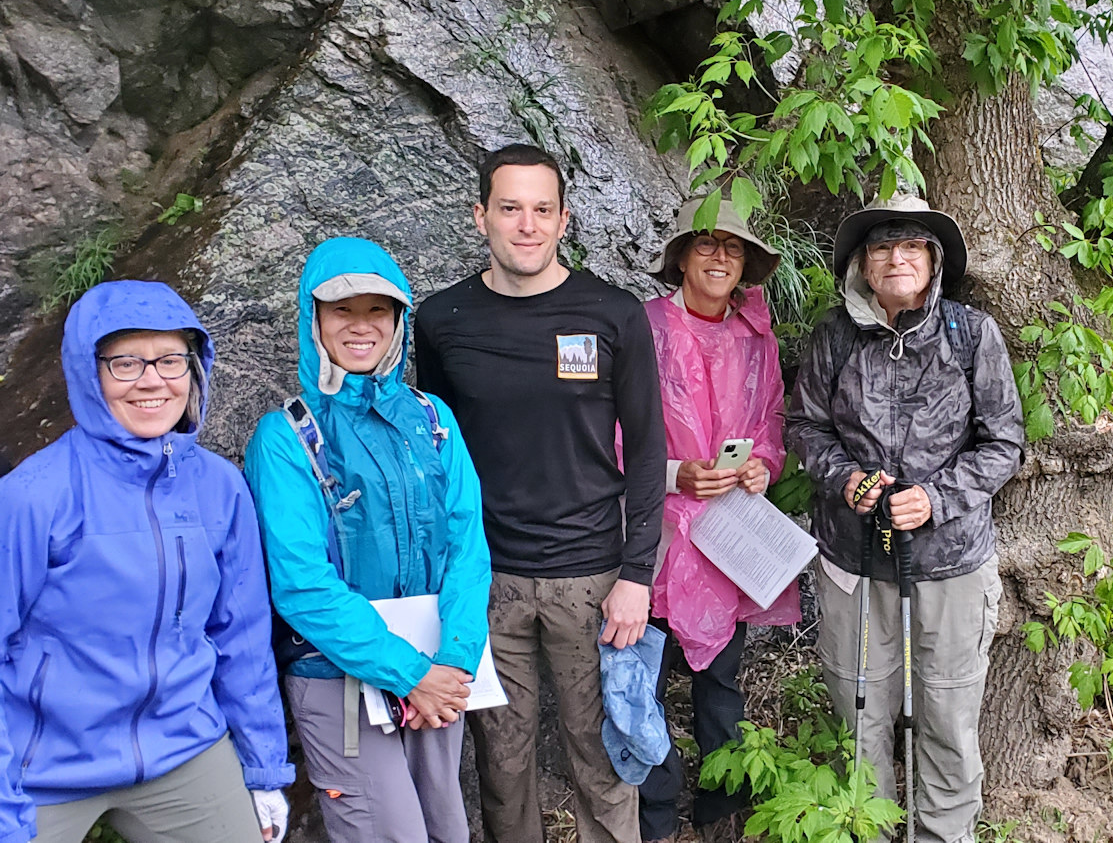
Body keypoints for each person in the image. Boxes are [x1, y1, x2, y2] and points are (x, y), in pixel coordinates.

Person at [415, 143, 668, 843]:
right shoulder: (441, 320)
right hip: (486, 579)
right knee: (502, 759)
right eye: (510, 208)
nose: (526, 225)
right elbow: (439, 458)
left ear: (563, 221)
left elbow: (648, 451)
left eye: (542, 210)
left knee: (604, 755)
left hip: (592, 578)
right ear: (480, 217)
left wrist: (637, 575)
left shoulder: (612, 314)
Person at [0, 281, 294, 843]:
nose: (153, 379)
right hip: (41, 764)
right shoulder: (33, 495)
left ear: (195, 368)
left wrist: (263, 771)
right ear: (89, 374)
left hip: (182, 747)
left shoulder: (220, 487)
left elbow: (242, 637)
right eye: (126, 362)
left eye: (169, 360)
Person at [786, 192, 1024, 843]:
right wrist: (846, 480)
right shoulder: (834, 336)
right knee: (858, 714)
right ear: (862, 265)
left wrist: (938, 498)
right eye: (882, 247)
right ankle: (869, 829)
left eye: (912, 246)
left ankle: (941, 836)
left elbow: (1004, 442)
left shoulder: (971, 334)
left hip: (950, 563)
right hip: (853, 561)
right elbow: (805, 428)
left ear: (934, 261)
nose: (897, 258)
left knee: (946, 714)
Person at [244, 238, 492, 843]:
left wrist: (455, 661)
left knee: (446, 830)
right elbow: (301, 583)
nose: (362, 326)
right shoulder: (285, 438)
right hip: (340, 677)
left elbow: (468, 543)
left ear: (399, 320)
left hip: (439, 671)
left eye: (378, 310)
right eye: (341, 311)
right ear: (314, 320)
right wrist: (409, 674)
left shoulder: (432, 419)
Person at [636, 198, 798, 843]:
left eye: (732, 248)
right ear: (680, 257)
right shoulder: (641, 327)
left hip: (730, 535)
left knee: (721, 685)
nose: (720, 257)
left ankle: (719, 813)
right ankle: (652, 817)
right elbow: (612, 431)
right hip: (651, 535)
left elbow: (773, 423)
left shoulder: (756, 339)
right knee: (638, 682)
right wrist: (677, 473)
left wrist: (762, 465)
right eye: (705, 244)